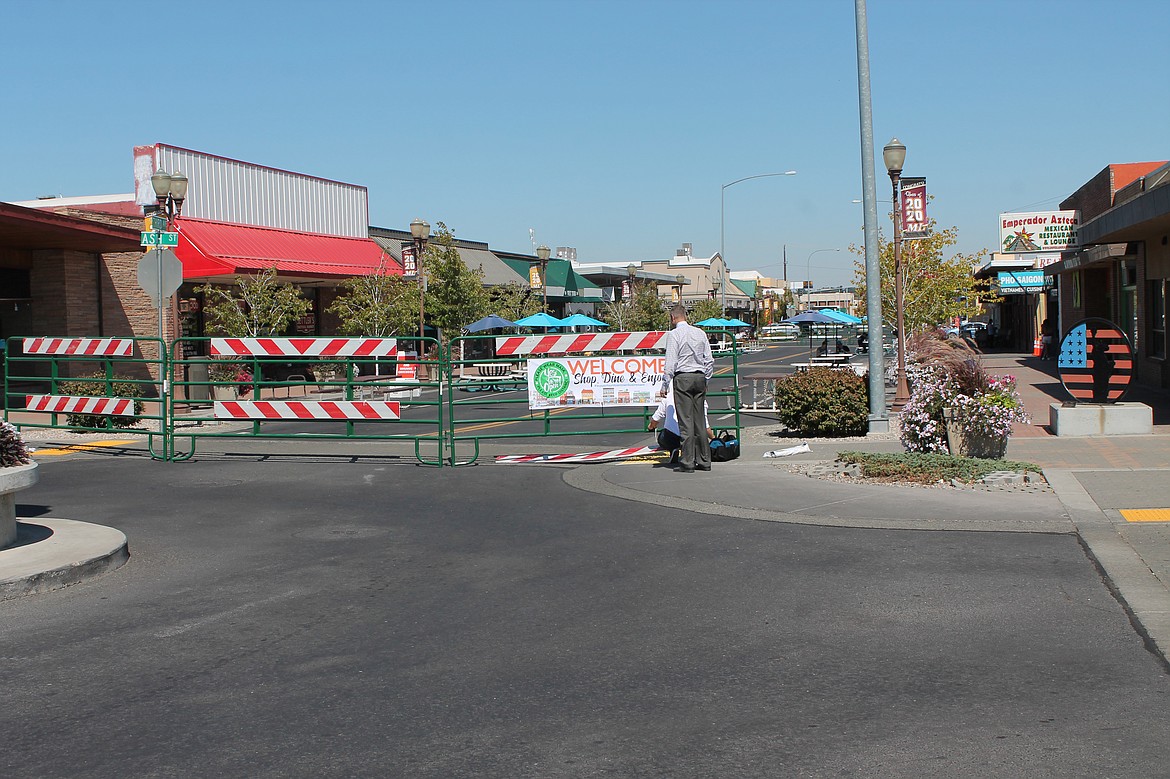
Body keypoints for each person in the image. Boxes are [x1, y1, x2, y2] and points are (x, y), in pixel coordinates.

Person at [659, 304, 715, 473]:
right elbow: (709, 360)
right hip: (699, 377)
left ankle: (687, 461)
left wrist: (665, 383)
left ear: (672, 317)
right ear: (686, 316)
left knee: (686, 421)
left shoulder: (674, 335)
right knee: (699, 420)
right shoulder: (700, 333)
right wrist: (706, 379)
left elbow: (671, 363)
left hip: (682, 377)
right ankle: (704, 460)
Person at [648, 379, 713, 465]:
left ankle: (673, 449)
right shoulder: (700, 401)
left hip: (671, 437)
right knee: (695, 434)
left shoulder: (668, 398)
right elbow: (705, 426)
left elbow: (656, 419)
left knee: (663, 436)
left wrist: (651, 426)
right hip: (690, 437)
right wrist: (714, 438)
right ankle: (692, 452)